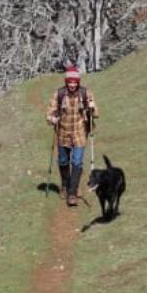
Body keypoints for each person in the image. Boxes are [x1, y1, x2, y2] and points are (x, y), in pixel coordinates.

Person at [46, 64, 97, 207]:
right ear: (66, 82)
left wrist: (92, 108)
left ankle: (72, 192)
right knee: (63, 161)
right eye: (70, 82)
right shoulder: (59, 94)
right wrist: (52, 119)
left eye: (75, 82)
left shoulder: (85, 93)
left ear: (78, 82)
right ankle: (65, 185)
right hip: (63, 133)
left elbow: (96, 113)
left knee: (77, 162)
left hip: (80, 133)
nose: (72, 84)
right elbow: (49, 113)